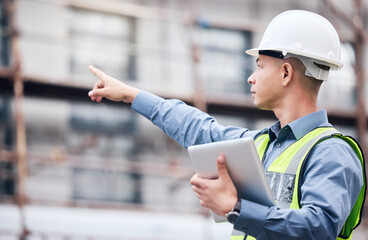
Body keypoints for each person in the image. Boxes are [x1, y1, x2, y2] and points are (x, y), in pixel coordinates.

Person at [88, 10, 366, 240]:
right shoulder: (260, 145)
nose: (251, 77)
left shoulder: (332, 153)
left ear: (285, 73)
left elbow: (319, 228)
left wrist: (235, 208)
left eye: (259, 65)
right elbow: (196, 128)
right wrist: (132, 95)